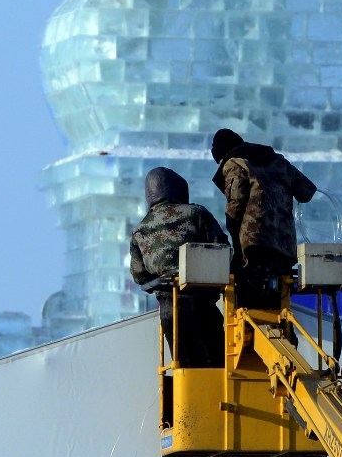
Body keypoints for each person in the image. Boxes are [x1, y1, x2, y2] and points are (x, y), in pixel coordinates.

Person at [130, 166, 229, 368]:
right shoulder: (196, 213)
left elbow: (140, 276)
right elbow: (223, 251)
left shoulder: (140, 230)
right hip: (202, 305)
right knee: (217, 367)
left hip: (169, 311)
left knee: (184, 368)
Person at [211, 129, 316, 309]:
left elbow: (235, 207)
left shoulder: (235, 163)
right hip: (284, 247)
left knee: (250, 308)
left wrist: (236, 247)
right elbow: (306, 192)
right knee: (277, 307)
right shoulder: (279, 162)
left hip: (255, 247)